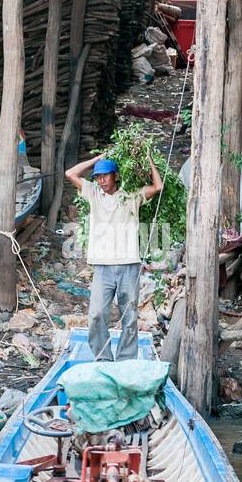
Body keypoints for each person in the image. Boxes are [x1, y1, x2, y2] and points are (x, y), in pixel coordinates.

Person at [65, 152, 163, 360]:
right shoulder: (93, 194)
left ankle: (126, 358)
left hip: (129, 265)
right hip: (103, 267)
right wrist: (96, 159)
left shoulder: (131, 197)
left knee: (129, 316)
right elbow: (70, 173)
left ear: (116, 176)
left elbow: (158, 187)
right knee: (96, 314)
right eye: (98, 177)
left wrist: (149, 160)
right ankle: (103, 357)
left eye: (105, 176)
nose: (101, 181)